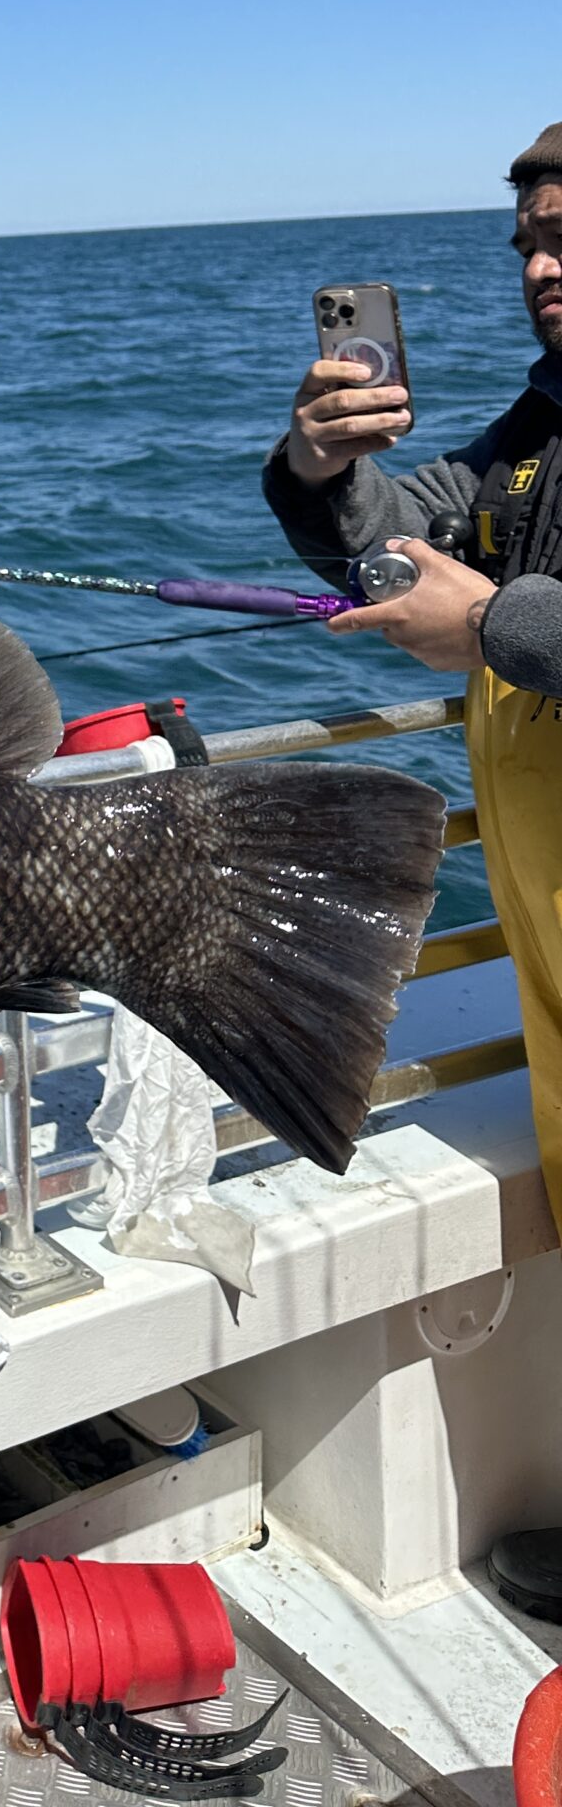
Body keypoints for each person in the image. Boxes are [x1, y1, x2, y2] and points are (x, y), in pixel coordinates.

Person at [262, 120, 562, 1623]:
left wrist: (497, 626)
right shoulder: (541, 423)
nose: (544, 265)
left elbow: (482, 606)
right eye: (529, 243)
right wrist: (324, 466)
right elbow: (402, 550)